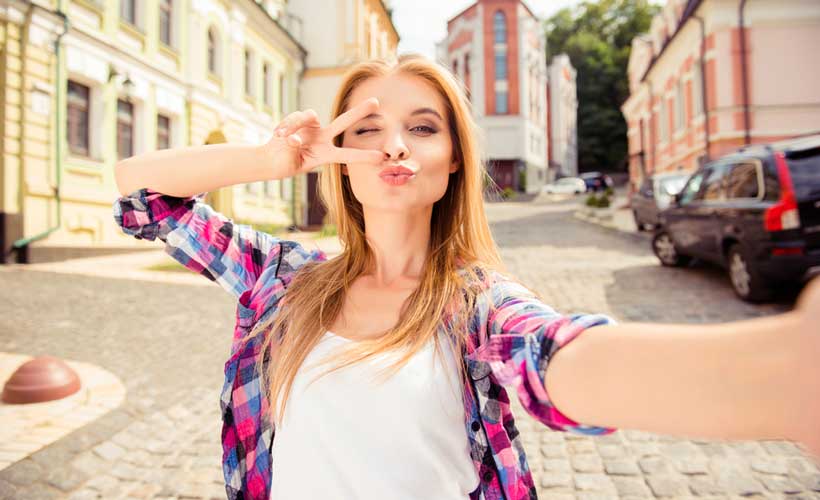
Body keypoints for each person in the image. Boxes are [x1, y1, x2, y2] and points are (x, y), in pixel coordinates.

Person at [113, 55, 820, 500]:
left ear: (453, 159)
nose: (393, 144)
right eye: (366, 129)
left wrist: (783, 377)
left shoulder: (478, 307)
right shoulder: (283, 279)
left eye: (423, 127)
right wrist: (274, 162)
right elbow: (141, 195)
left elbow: (560, 359)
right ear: (340, 153)